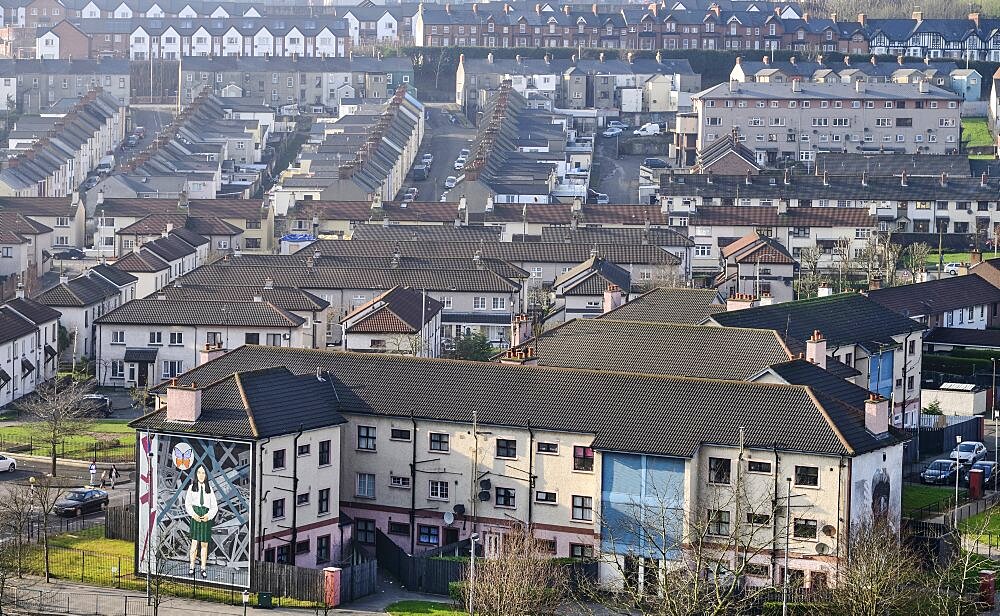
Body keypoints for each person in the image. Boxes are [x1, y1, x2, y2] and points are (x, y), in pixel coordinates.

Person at [184, 466, 219, 579]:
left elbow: (214, 507)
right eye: (199, 472)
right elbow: (188, 504)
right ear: (196, 474)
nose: (201, 475)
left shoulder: (210, 489)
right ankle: (192, 567)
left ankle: (203, 568)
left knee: (204, 545)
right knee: (194, 544)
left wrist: (208, 516)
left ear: (206, 475)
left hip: (205, 517)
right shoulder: (191, 488)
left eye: (203, 473)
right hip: (196, 516)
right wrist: (194, 515)